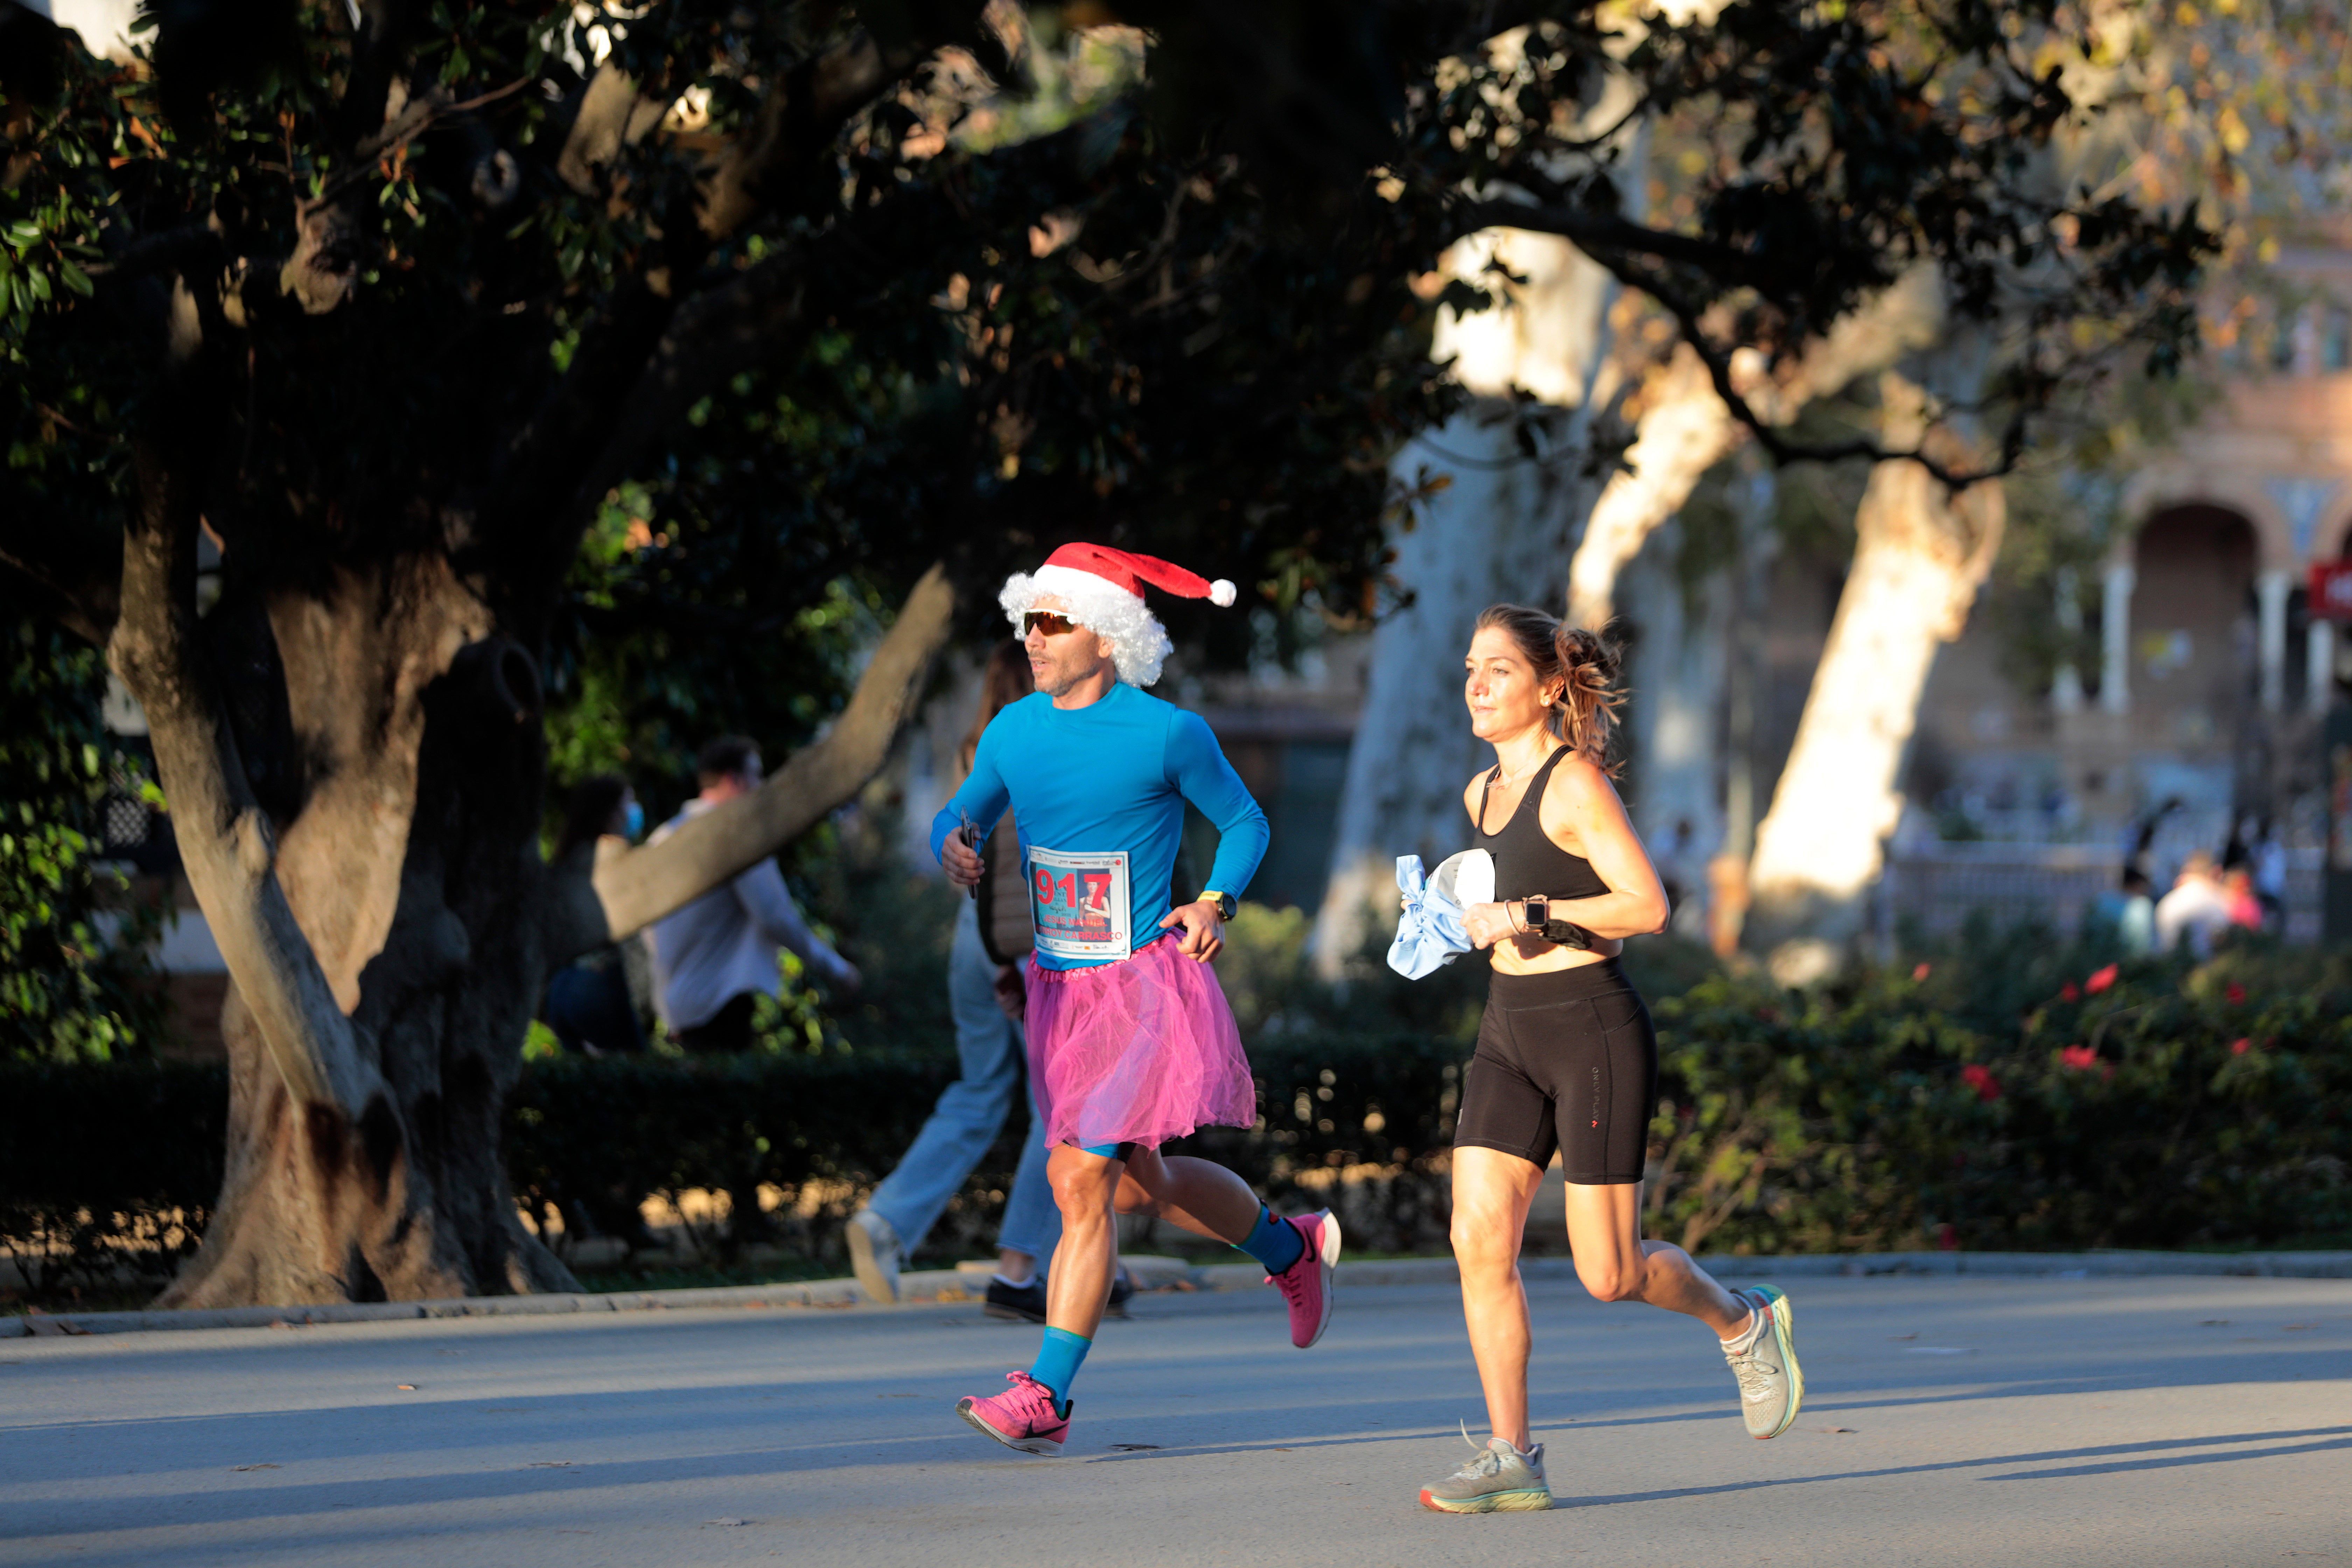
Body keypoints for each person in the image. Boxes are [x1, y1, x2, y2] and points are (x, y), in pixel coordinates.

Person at [936, 542, 1340, 1456]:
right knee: (1136, 1188)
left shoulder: (1169, 735)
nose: (1033, 639)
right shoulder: (1011, 733)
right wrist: (954, 845)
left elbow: (1246, 821)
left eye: (1054, 621)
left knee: (1077, 1182)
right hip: (1057, 992)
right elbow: (957, 815)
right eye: (1028, 619)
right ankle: (1292, 1249)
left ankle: (1048, 1393)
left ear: (1108, 637)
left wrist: (1213, 901)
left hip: (1144, 986)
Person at [1416, 604, 1802, 1515]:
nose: (1476, 684)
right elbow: (1494, 906)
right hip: (1507, 1029)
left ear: (1551, 686)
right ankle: (1513, 1453)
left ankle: (1743, 1320)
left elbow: (1648, 906)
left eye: (1498, 670)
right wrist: (1442, 923)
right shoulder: (1480, 795)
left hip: (1591, 1028)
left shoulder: (1574, 783)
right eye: (1471, 667)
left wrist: (1535, 914)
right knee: (1478, 1239)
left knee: (1610, 1274)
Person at [848, 641, 1133, 1323]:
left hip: (967, 940)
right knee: (1061, 1111)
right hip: (1032, 942)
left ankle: (887, 1220)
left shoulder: (977, 745)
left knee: (982, 1090)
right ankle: (1019, 1267)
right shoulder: (1051, 742)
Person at [646, 736, 860, 1053]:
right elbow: (776, 915)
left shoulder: (664, 836)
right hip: (720, 1003)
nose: (761, 787)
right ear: (734, 781)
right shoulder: (736, 835)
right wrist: (837, 968)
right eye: (756, 776)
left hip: (675, 1007)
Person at [543, 773, 651, 1056]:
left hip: (562, 989)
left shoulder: (569, 857)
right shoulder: (614, 856)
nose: (634, 811)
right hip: (602, 981)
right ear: (612, 814)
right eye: (628, 804)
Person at [2153, 852, 2234, 959]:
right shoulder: (2215, 902)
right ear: (2216, 872)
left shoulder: (2168, 901)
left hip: (2168, 967)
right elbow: (2223, 938)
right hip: (2201, 969)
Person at [2086, 866, 2156, 957]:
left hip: (2099, 957)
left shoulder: (2102, 900)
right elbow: (2143, 942)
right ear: (2137, 884)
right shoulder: (2142, 905)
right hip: (2130, 961)